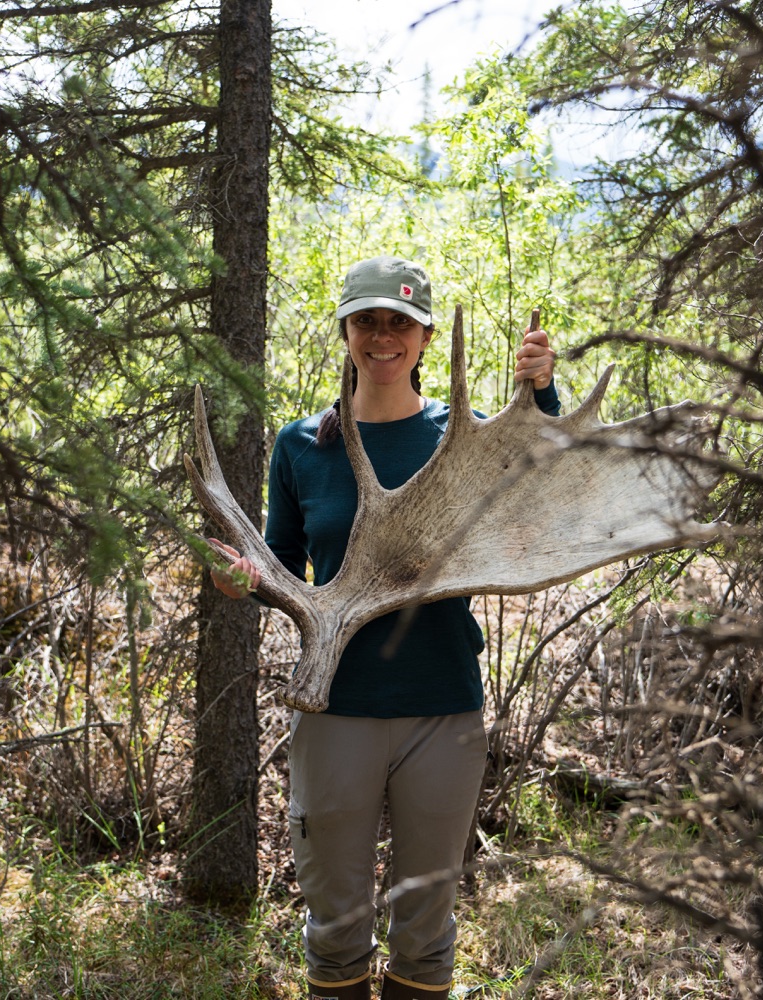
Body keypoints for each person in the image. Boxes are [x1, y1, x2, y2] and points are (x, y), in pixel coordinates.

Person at [208, 255, 558, 1000]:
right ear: (345, 330)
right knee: (335, 927)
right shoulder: (303, 445)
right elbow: (284, 564)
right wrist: (241, 580)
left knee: (425, 929)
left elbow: (540, 495)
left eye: (400, 322)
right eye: (368, 320)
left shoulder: (462, 439)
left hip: (443, 706)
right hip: (337, 708)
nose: (383, 336)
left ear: (425, 338)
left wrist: (541, 391)